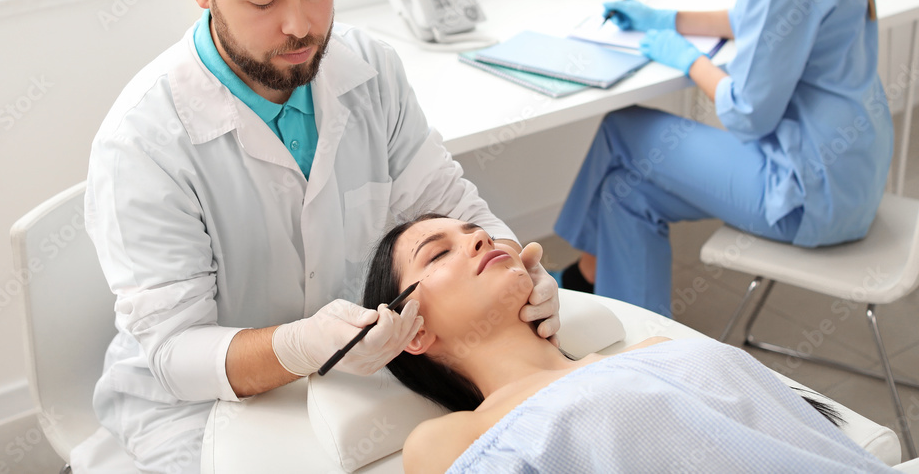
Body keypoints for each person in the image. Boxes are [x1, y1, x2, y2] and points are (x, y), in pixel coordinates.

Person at [75, 0, 559, 473]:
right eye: (263, 1)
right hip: (199, 408)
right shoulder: (143, 144)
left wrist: (515, 267)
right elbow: (175, 355)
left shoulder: (370, 71)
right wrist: (301, 347)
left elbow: (447, 205)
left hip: (355, 379)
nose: (299, 25)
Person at [554, 0, 893, 315]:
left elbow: (748, 112)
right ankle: (639, 350)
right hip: (853, 176)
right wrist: (667, 18)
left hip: (807, 191)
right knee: (626, 193)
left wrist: (685, 58)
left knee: (622, 128)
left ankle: (580, 276)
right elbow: (764, 18)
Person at [364, 214, 896, 473]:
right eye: (438, 254)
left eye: (474, 229)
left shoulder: (659, 347)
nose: (478, 238)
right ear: (415, 331)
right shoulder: (455, 438)